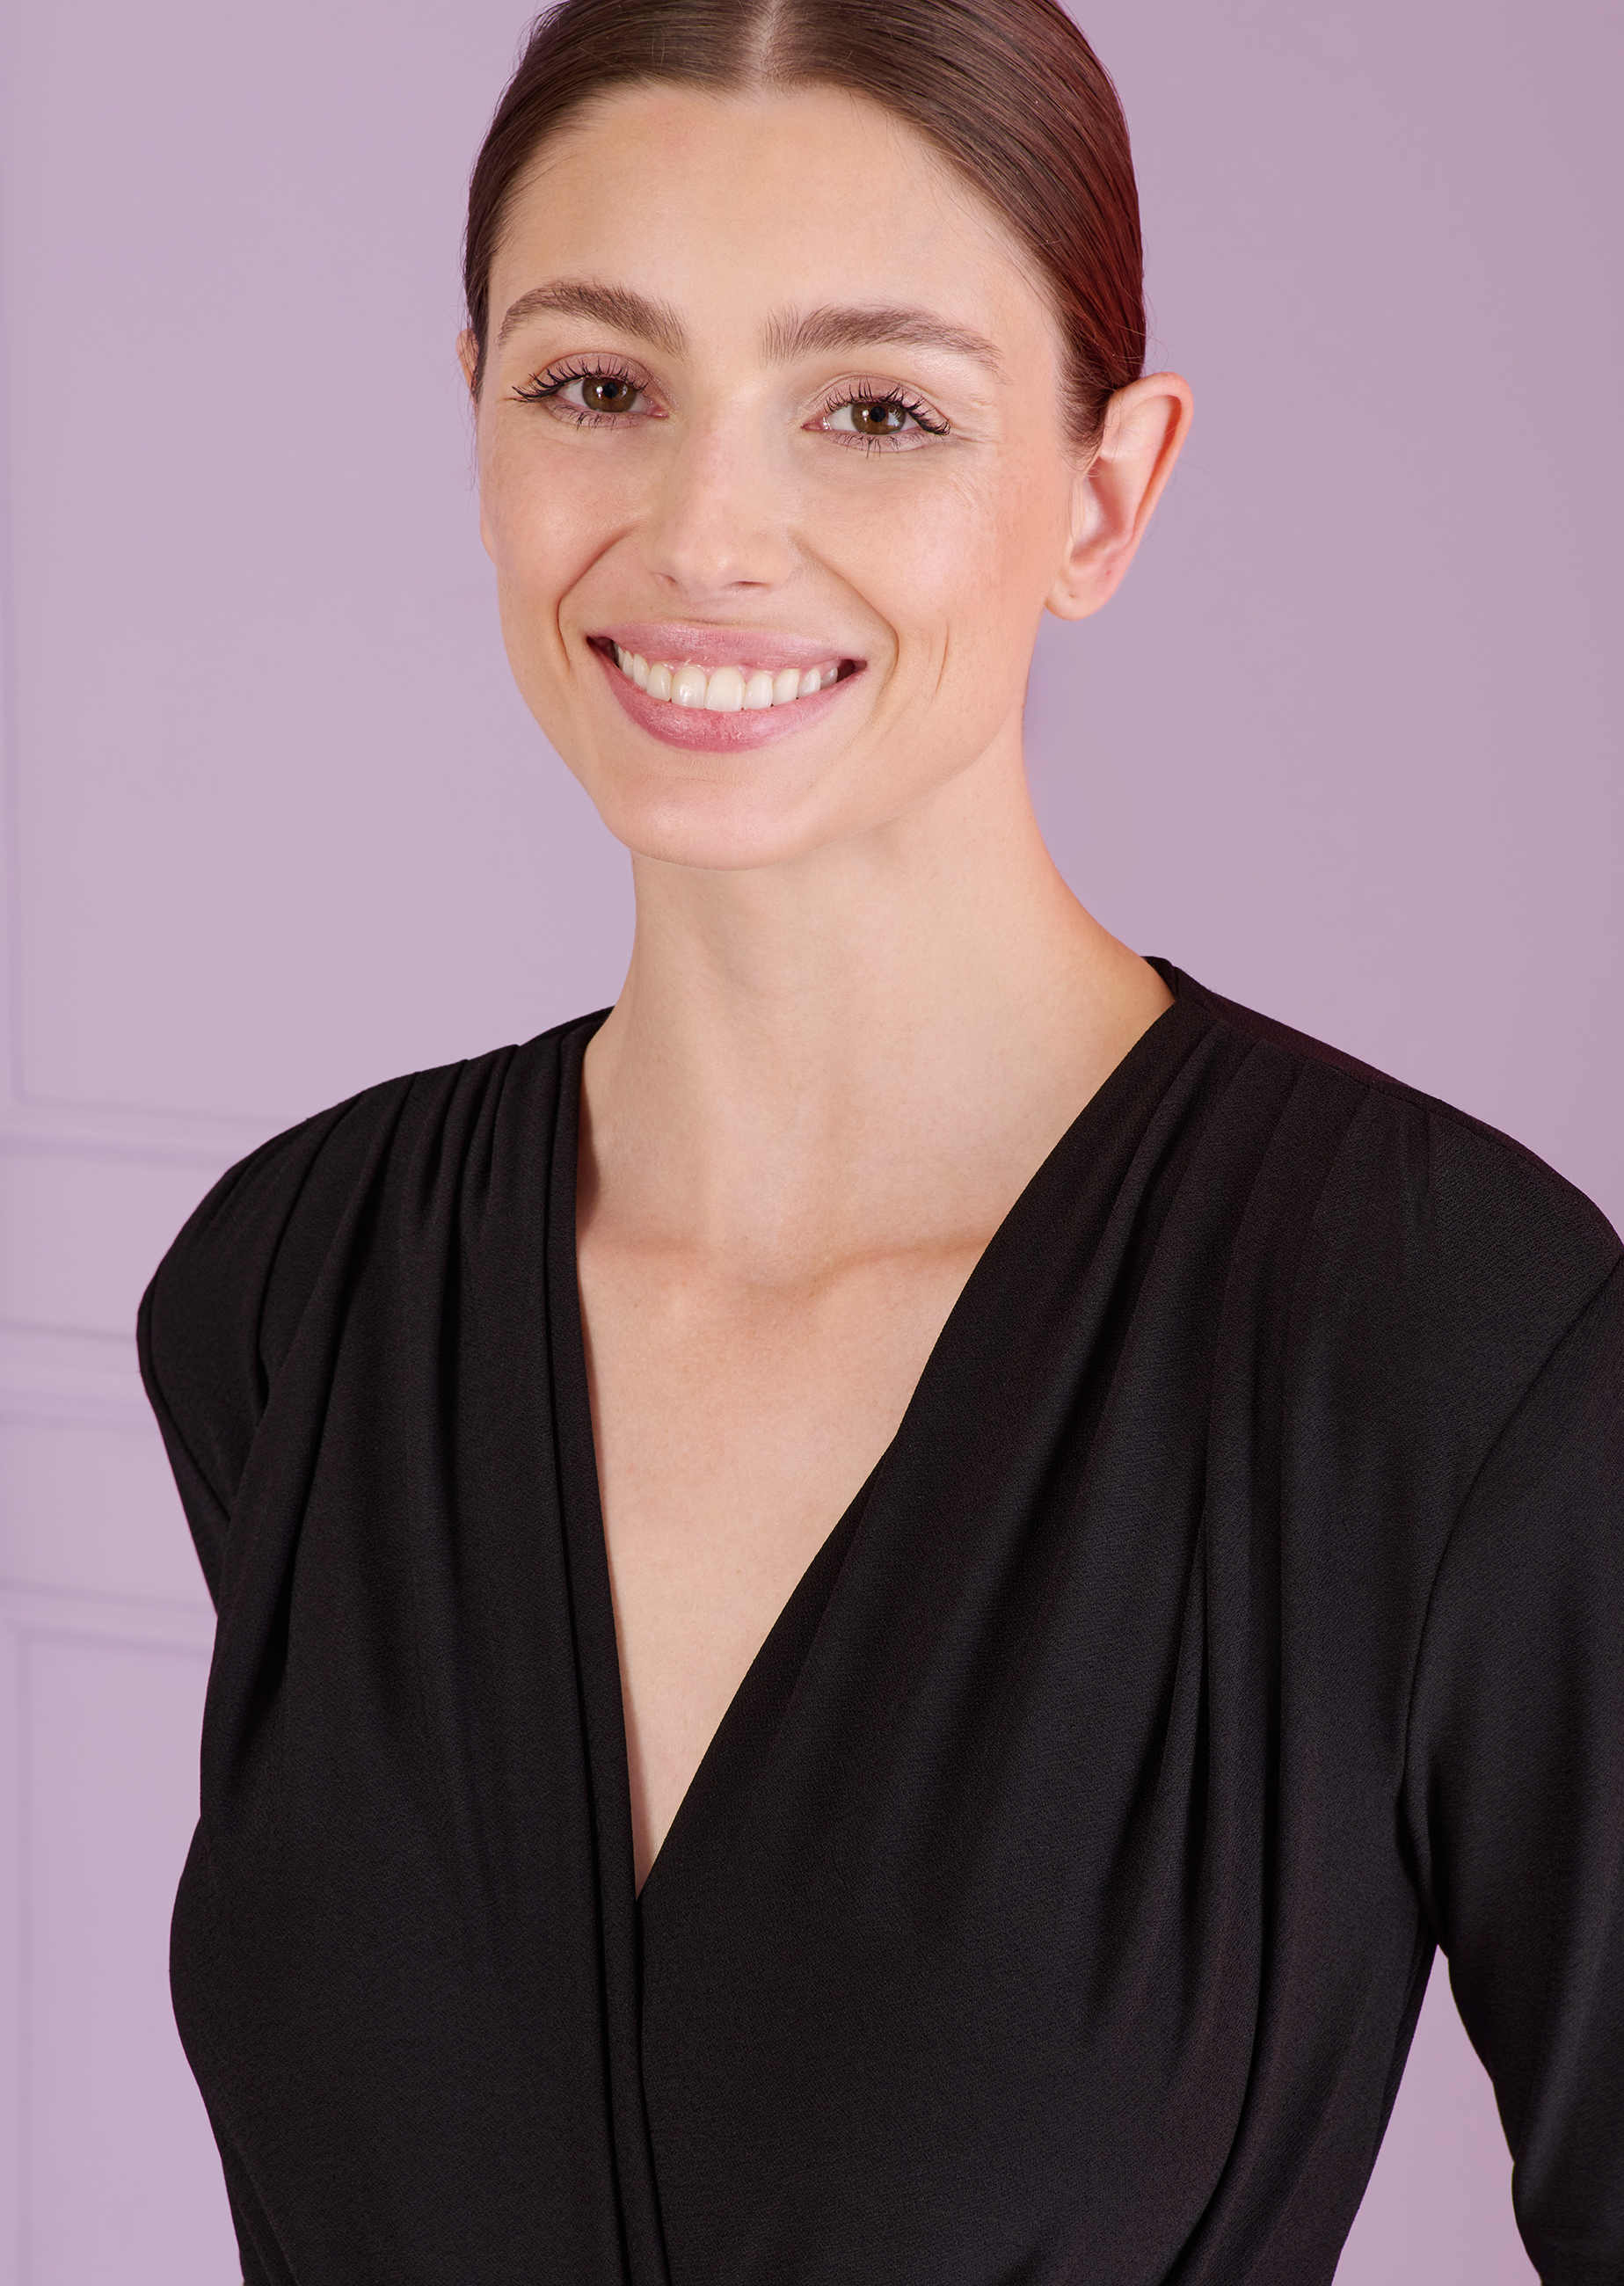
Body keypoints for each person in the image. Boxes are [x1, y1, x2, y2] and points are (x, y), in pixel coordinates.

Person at [137, 1, 1623, 2279]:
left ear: (1106, 493)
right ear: (477, 417)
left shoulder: (1444, 1343)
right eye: (597, 386)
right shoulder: (291, 1294)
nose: (705, 536)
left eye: (875, 411)